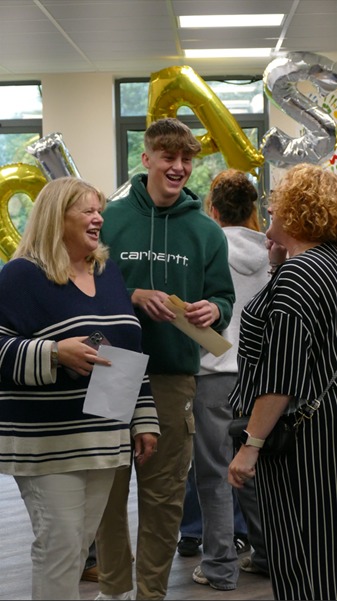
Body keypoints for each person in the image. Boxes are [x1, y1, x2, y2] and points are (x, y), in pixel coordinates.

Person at [94, 117, 235, 600]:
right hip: (113, 367)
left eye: (186, 159)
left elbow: (224, 299)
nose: (178, 167)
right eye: (168, 157)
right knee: (109, 490)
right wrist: (132, 294)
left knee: (164, 495)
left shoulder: (206, 232)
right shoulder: (109, 222)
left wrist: (214, 308)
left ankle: (151, 592)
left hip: (175, 374)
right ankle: (114, 588)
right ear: (146, 158)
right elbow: (83, 287)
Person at [0, 176, 160, 601]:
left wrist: (144, 418)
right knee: (61, 545)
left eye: (99, 210)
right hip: (50, 442)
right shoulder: (21, 276)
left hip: (105, 435)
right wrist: (53, 353)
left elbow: (129, 347)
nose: (98, 218)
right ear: (58, 217)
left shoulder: (107, 273)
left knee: (77, 545)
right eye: (87, 211)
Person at [228, 163, 337, 601]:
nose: (269, 208)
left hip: (298, 441)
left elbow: (281, 376)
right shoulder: (322, 264)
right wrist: (276, 265)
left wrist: (250, 446)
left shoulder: (299, 276)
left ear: (293, 212)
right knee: (324, 547)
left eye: (276, 202)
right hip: (323, 428)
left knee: (300, 555)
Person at [177, 169, 271, 591]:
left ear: (212, 209)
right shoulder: (271, 254)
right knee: (251, 469)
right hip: (259, 378)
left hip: (214, 374)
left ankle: (219, 566)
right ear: (253, 210)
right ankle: (267, 553)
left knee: (213, 474)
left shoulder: (206, 246)